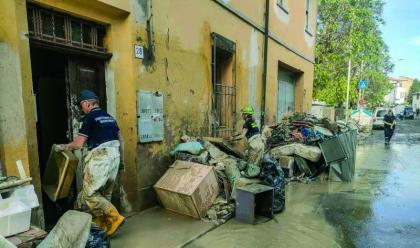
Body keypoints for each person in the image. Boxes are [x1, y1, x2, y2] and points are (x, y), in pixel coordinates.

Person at [56, 90, 125, 236]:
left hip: (101, 157)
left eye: (82, 106)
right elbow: (121, 140)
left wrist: (63, 147)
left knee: (89, 195)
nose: (82, 109)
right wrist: (121, 161)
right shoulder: (110, 118)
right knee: (105, 193)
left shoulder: (89, 118)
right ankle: (105, 223)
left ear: (87, 103)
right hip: (115, 155)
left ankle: (114, 217)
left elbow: (79, 144)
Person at [231, 106, 265, 176]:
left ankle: (248, 177)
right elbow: (248, 131)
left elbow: (242, 136)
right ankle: (256, 177)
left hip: (254, 144)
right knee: (257, 163)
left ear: (246, 115)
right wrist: (237, 134)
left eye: (243, 114)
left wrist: (232, 139)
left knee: (251, 163)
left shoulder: (246, 123)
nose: (242, 115)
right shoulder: (252, 122)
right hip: (260, 143)